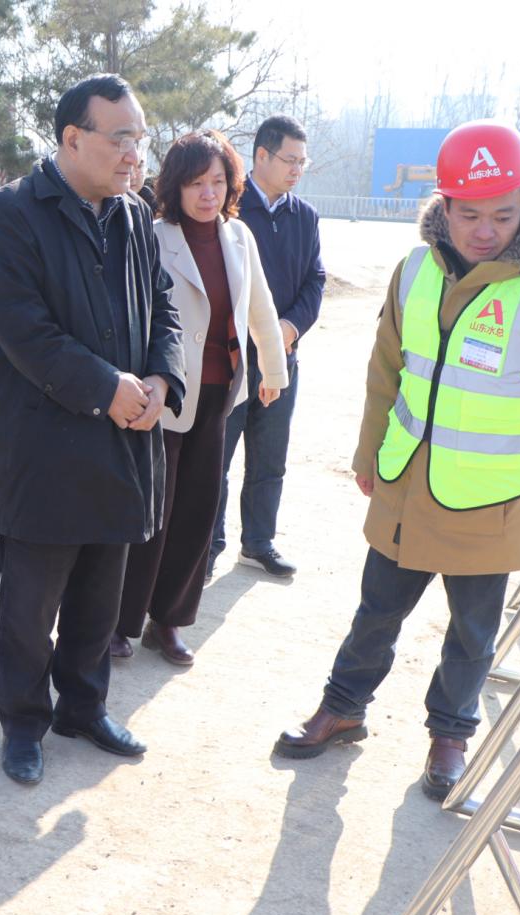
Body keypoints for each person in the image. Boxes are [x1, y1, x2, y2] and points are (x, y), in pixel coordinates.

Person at [273, 120, 520, 800]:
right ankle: (342, 709)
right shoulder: (414, 272)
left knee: (471, 633)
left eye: (502, 215)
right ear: (445, 205)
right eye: (470, 215)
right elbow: (386, 372)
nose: (485, 231)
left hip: (492, 499)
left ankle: (450, 735)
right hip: (407, 488)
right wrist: (369, 453)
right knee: (375, 612)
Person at [0, 74, 185, 785]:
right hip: (46, 442)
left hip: (123, 436)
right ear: (72, 139)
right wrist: (106, 388)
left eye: (140, 138)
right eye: (121, 137)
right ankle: (23, 722)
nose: (135, 153)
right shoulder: (13, 213)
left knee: (101, 593)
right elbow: (23, 331)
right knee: (31, 604)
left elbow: (163, 305)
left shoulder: (132, 215)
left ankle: (84, 706)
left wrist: (160, 378)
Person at [113, 130, 288, 665]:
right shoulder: (152, 234)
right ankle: (120, 620)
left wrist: (273, 370)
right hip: (164, 393)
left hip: (218, 395)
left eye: (217, 181)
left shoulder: (239, 236)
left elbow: (260, 307)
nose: (208, 194)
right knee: (150, 513)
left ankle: (167, 621)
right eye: (195, 183)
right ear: (176, 186)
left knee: (196, 512)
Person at [210, 115, 325, 580]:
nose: (297, 169)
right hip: (232, 357)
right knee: (216, 456)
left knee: (270, 457)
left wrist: (288, 328)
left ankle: (258, 543)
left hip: (283, 356)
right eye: (289, 159)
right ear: (261, 155)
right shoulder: (230, 210)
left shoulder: (305, 216)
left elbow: (315, 281)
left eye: (302, 161)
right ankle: (207, 545)